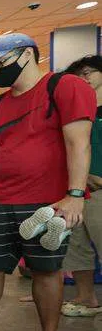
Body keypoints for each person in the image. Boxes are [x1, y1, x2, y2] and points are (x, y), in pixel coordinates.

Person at [0, 34, 94, 331]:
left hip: (46, 202)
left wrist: (75, 194)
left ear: (26, 55)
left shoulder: (64, 87)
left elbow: (78, 142)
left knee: (46, 269)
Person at [60, 54, 102, 317]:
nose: (83, 78)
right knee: (76, 247)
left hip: (99, 191)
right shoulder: (74, 113)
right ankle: (86, 298)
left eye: (88, 72)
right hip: (75, 191)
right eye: (77, 75)